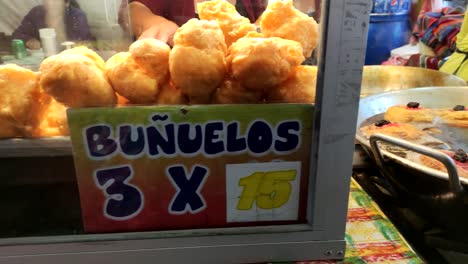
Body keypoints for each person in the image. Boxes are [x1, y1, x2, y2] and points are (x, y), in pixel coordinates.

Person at [122, 0, 265, 45]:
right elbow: (133, 9)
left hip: (240, 91)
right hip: (182, 94)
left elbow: (260, 21)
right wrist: (154, 23)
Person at [12, 0, 93, 50]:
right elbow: (17, 35)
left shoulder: (77, 16)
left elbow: (84, 42)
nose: (49, 3)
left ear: (66, 3)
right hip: (44, 60)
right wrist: (29, 40)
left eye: (55, 0)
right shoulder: (36, 13)